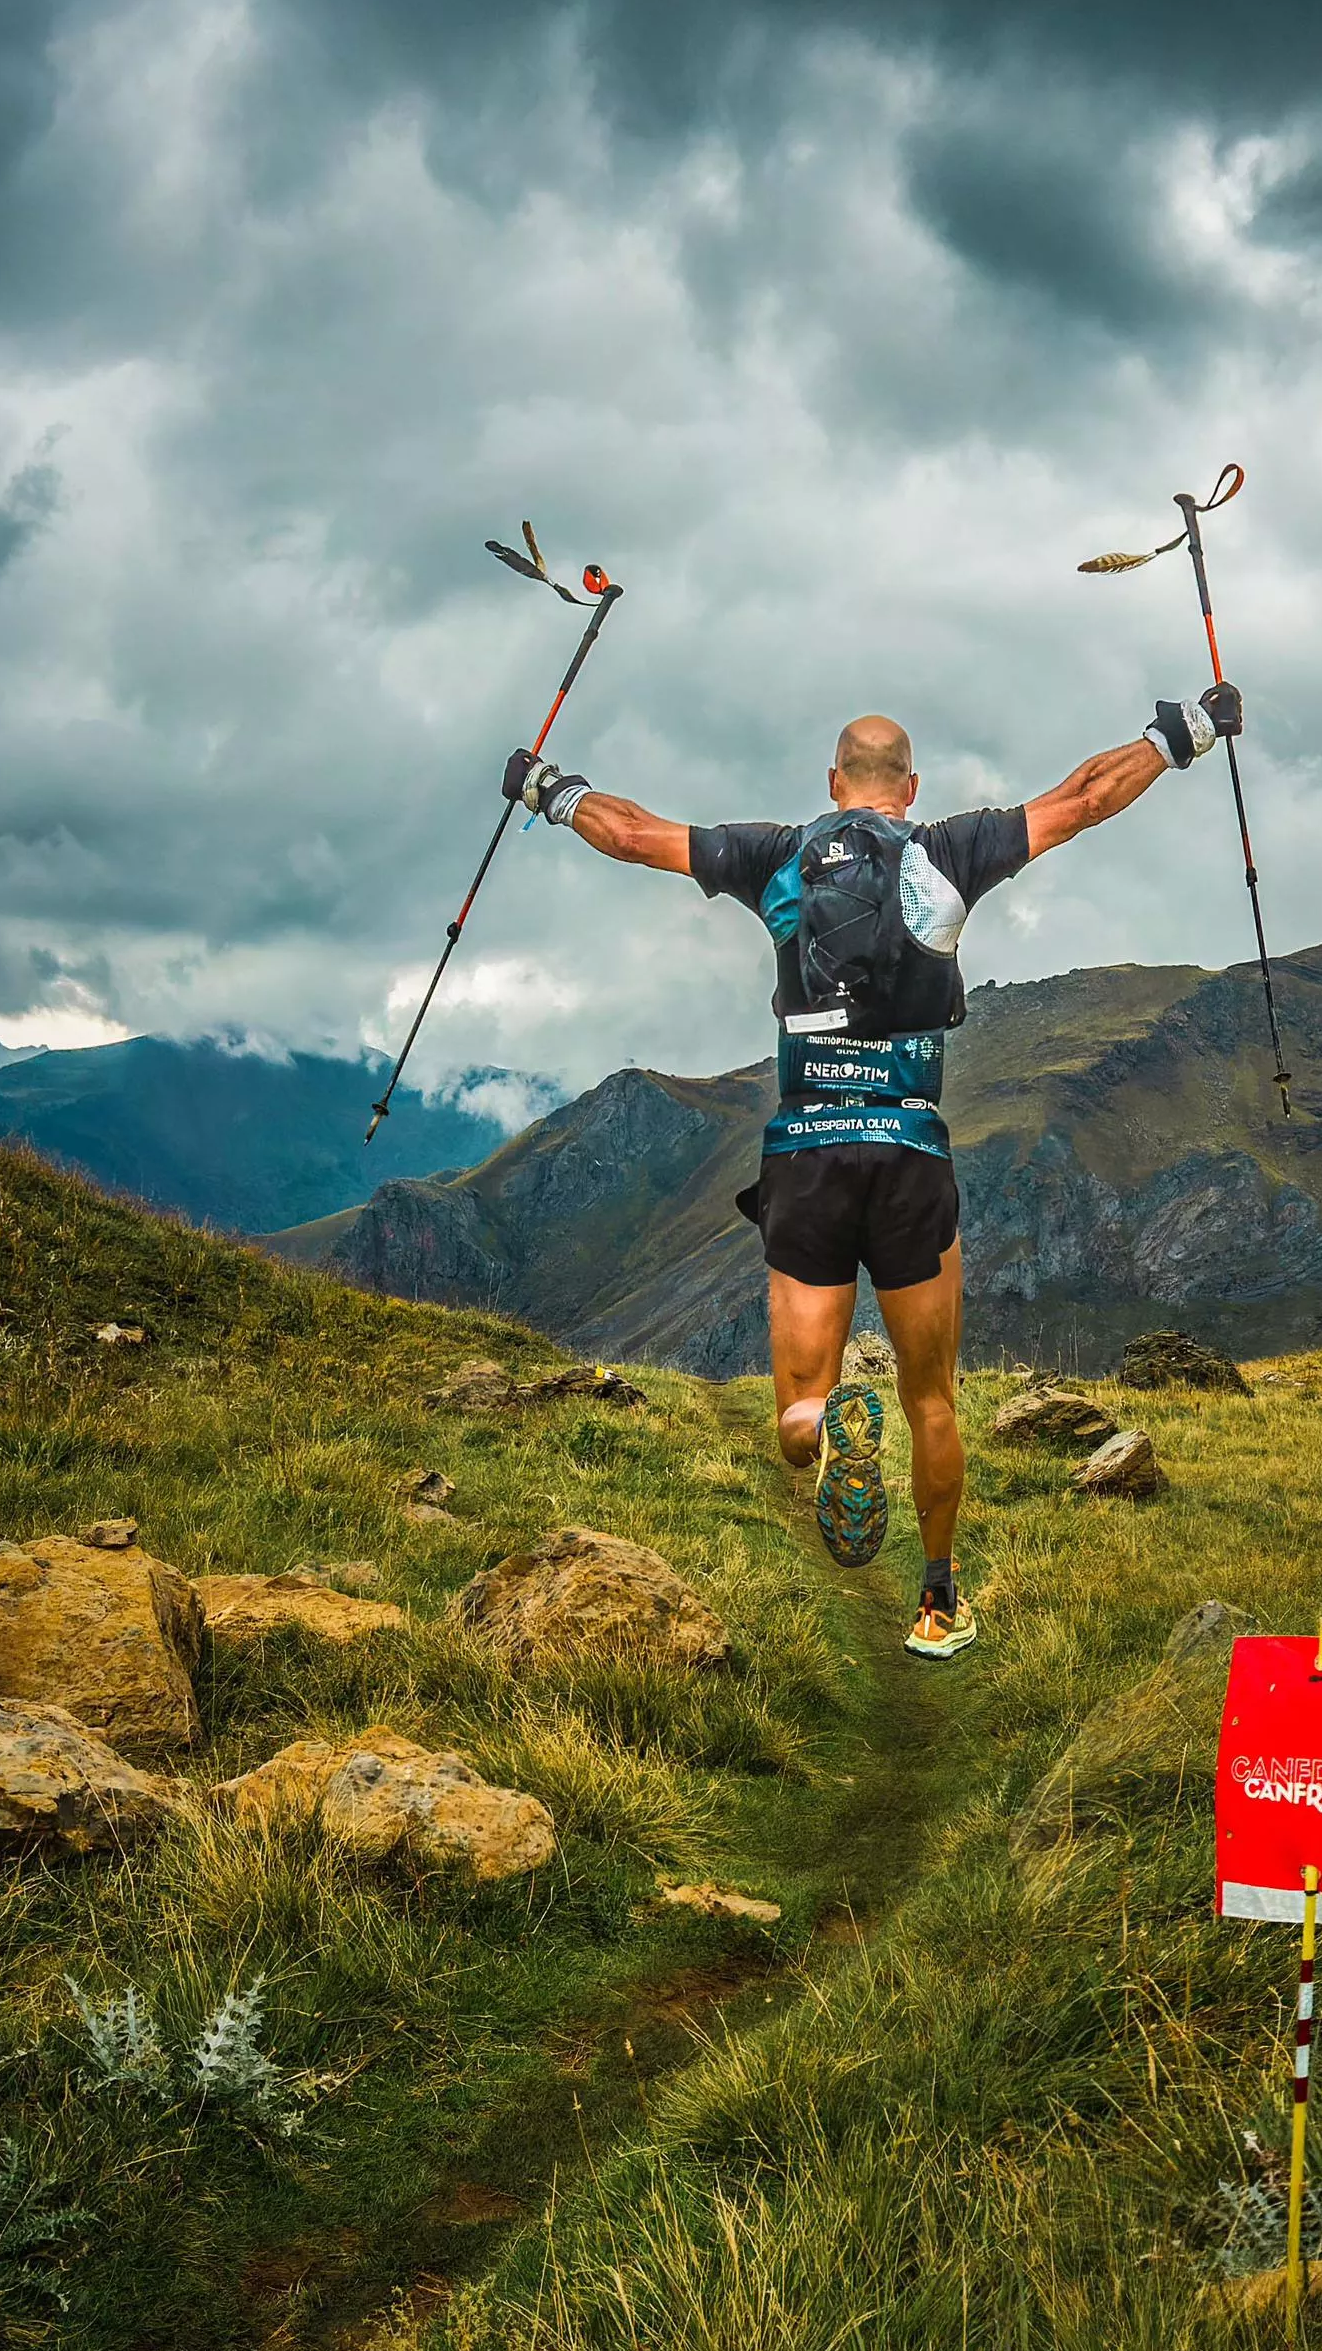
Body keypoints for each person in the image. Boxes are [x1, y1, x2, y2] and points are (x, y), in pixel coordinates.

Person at [507, 688, 1240, 1657]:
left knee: (794, 1406)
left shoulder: (773, 856)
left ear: (831, 784)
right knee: (930, 1395)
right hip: (907, 1149)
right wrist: (1181, 733)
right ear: (910, 788)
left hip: (806, 1153)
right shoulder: (948, 851)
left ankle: (820, 1431)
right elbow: (1085, 797)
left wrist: (545, 791)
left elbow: (635, 833)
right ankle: (936, 1602)